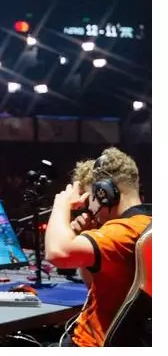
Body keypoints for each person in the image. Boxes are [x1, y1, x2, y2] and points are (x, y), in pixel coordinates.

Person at [44, 147, 151, 347]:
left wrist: (62, 204)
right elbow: (93, 284)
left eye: (89, 200)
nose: (88, 210)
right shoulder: (144, 225)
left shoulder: (124, 231)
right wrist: (88, 237)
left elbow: (57, 252)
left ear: (104, 194)